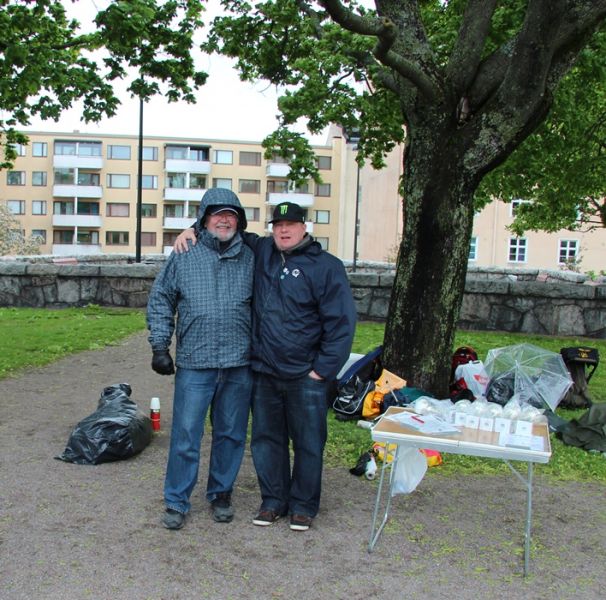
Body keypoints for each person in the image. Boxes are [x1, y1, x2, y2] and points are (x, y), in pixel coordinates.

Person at [174, 201, 356, 531]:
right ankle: (273, 500)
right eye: (278, 225)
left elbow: (342, 323)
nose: (283, 230)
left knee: (308, 442)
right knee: (266, 440)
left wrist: (322, 370)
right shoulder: (261, 251)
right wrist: (193, 229)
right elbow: (223, 226)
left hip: (306, 375)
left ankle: (303, 505)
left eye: (291, 224)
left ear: (305, 227)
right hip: (265, 371)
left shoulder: (327, 266)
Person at [147, 188, 254, 530]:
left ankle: (220, 492)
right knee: (185, 435)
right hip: (196, 362)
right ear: (204, 219)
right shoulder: (184, 253)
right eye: (217, 214)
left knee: (231, 434)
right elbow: (161, 298)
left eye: (231, 214)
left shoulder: (252, 256)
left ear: (239, 221)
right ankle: (177, 500)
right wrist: (160, 346)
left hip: (239, 362)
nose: (224, 220)